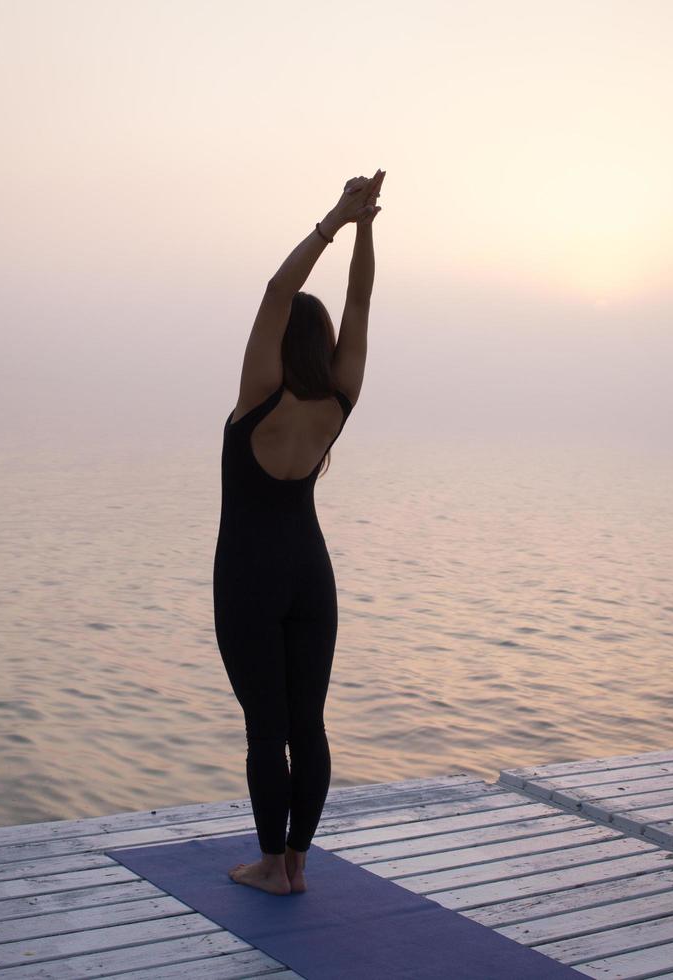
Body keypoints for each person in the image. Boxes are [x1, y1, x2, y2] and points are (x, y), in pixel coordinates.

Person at [215, 169, 384, 896]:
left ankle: (269, 866)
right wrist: (366, 227)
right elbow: (359, 301)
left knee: (265, 729)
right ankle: (300, 864)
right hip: (310, 573)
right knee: (308, 725)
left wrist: (333, 222)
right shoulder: (340, 398)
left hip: (249, 572)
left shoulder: (261, 393)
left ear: (282, 338)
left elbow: (276, 292)